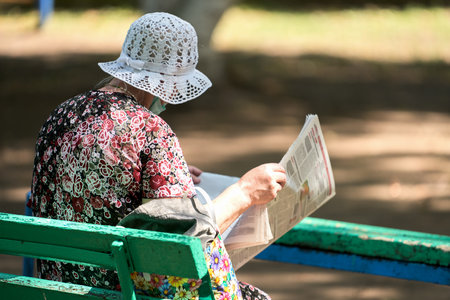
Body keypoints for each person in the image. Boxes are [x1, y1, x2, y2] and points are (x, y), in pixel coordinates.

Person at [30, 12, 286, 300]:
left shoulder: (61, 115)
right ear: (165, 82)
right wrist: (244, 193)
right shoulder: (150, 129)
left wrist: (160, 176)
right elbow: (181, 249)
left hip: (59, 291)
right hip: (124, 292)